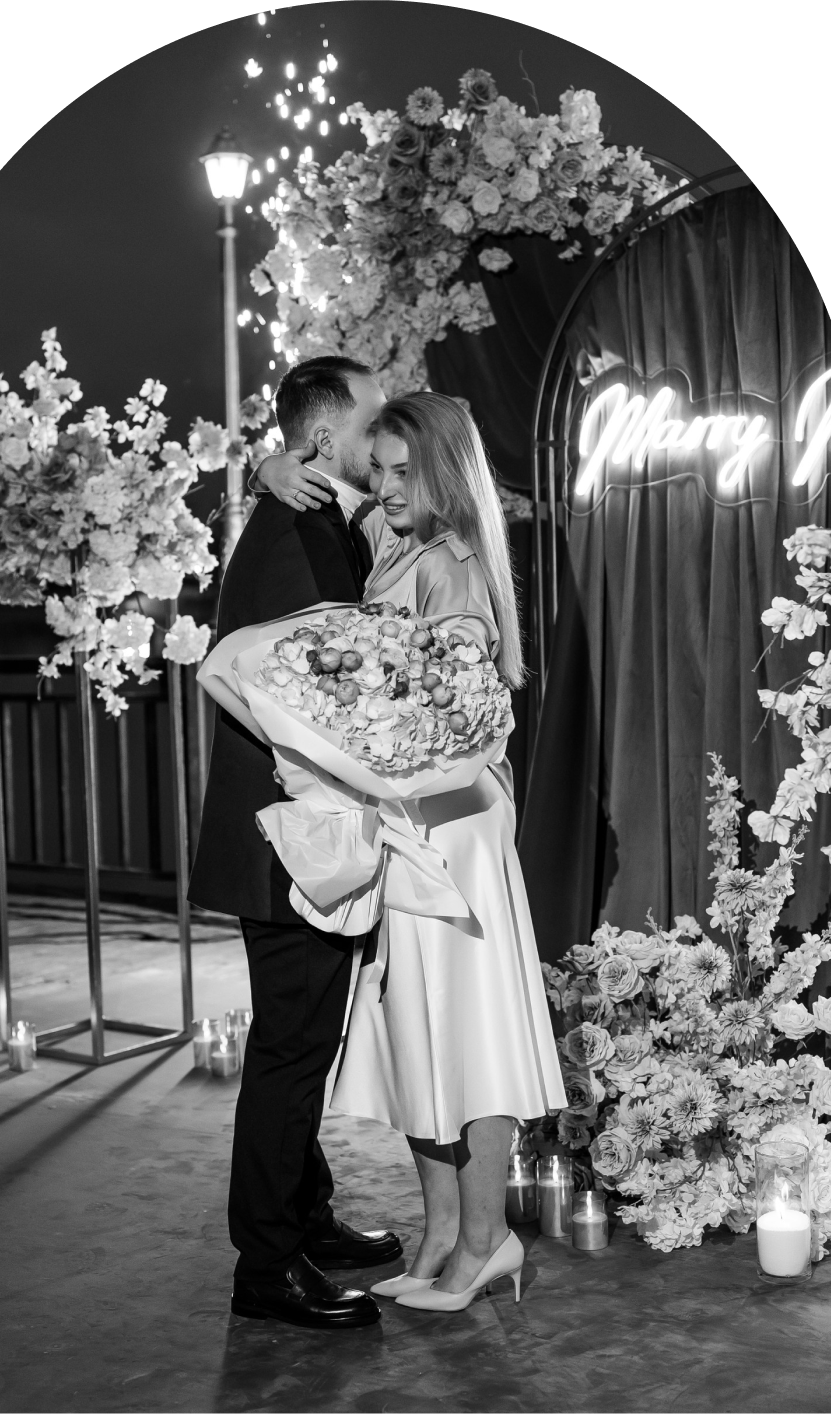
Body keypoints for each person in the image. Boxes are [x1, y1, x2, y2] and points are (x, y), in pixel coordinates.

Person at [258, 392, 567, 1314]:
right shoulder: (389, 536)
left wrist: (366, 717)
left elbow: (455, 709)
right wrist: (267, 468)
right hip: (407, 820)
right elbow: (330, 486)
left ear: (446, 476)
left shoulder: (453, 565)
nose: (386, 486)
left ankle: (485, 1239)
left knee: (467, 1038)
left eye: (406, 472)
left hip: (453, 832)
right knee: (416, 1034)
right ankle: (439, 1235)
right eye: (381, 468)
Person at [187, 356, 401, 1330]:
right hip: (288, 841)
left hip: (288, 837)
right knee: (290, 1049)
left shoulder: (310, 518)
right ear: (321, 437)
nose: (380, 433)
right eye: (369, 419)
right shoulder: (293, 530)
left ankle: (304, 1218)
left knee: (302, 1042)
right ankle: (266, 1268)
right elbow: (307, 703)